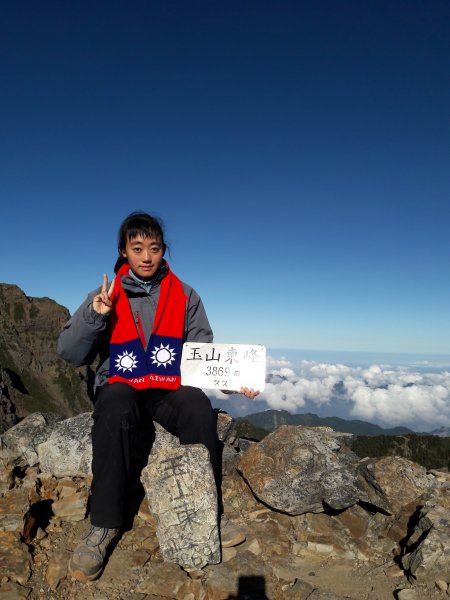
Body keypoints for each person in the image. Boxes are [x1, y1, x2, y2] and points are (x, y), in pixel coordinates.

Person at [57, 211, 259, 582]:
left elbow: (201, 353)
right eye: (137, 248)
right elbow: (70, 353)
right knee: (115, 406)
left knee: (198, 407)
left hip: (168, 384)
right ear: (123, 252)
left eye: (154, 247)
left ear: (164, 250)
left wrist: (233, 379)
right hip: (122, 382)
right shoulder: (106, 294)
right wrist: (95, 316)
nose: (147, 256)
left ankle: (207, 508)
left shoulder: (185, 294)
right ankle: (103, 525)